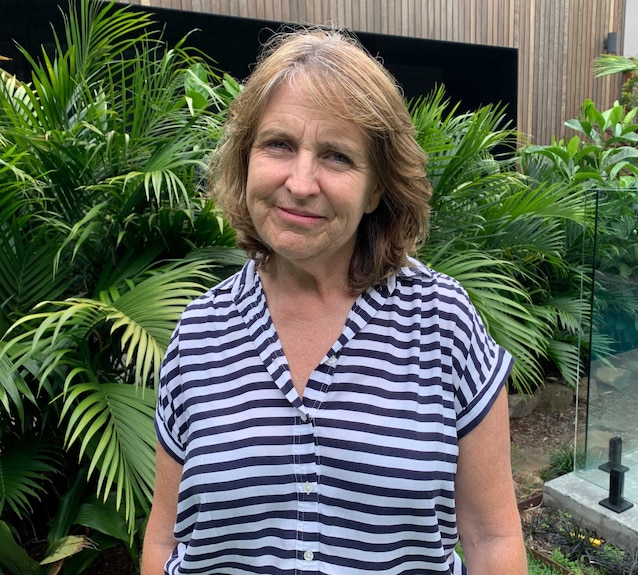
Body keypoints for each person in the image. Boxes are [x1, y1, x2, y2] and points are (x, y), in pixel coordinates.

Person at [141, 27, 526, 575]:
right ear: (245, 159)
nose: (300, 182)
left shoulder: (444, 324)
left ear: (376, 189)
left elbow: (492, 539)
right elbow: (165, 540)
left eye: (337, 156)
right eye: (278, 145)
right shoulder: (199, 334)